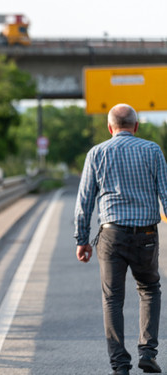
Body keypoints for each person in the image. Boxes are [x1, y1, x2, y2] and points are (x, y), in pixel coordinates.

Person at [74, 103, 167, 375]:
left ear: (110, 127)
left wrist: (82, 239)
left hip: (111, 235)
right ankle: (147, 352)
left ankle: (119, 365)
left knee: (113, 299)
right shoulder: (152, 151)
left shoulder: (97, 153)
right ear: (136, 127)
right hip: (147, 234)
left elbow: (84, 202)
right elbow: (166, 194)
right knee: (149, 289)